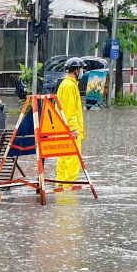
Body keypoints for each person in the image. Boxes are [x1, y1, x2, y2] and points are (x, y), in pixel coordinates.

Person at [54, 57, 87, 190]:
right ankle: (69, 187)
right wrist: (73, 129)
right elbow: (69, 110)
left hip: (63, 128)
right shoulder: (69, 86)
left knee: (63, 158)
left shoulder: (66, 84)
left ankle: (61, 185)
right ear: (75, 70)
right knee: (72, 159)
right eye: (81, 68)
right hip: (70, 130)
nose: (82, 71)